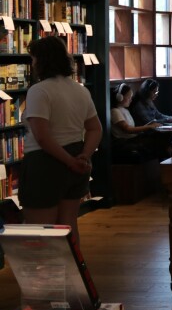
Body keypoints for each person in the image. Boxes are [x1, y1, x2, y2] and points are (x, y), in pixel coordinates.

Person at [20, 36, 102, 245]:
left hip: (46, 163)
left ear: (41, 61)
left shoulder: (39, 90)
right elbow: (95, 128)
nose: (32, 64)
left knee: (41, 230)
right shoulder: (80, 90)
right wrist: (84, 155)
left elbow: (43, 137)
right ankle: (73, 275)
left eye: (34, 58)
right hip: (76, 158)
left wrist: (69, 160)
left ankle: (47, 277)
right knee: (68, 225)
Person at [110, 82, 163, 162]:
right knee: (154, 144)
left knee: (157, 140)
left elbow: (132, 128)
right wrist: (148, 127)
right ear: (119, 97)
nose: (131, 99)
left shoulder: (124, 110)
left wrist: (149, 125)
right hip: (123, 142)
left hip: (132, 139)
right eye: (129, 97)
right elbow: (127, 129)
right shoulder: (115, 111)